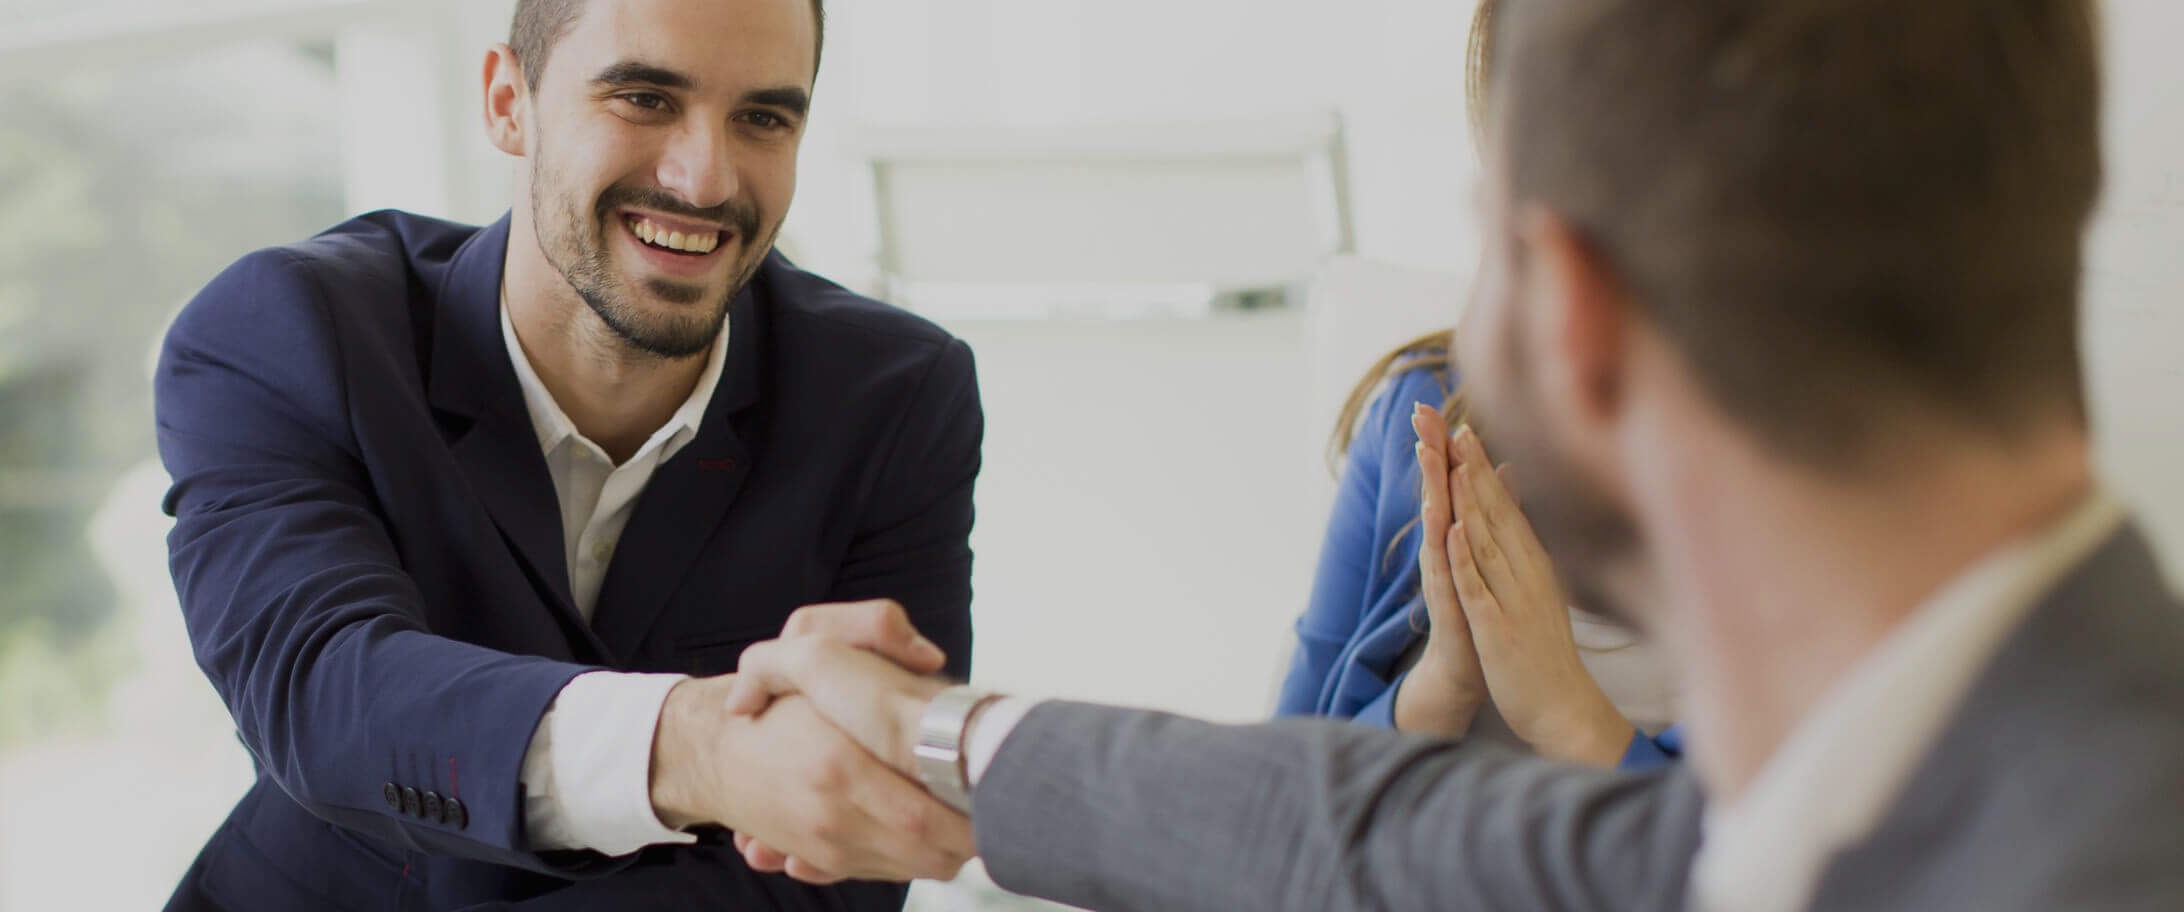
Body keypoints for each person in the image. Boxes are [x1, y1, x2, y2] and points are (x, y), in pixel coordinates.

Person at [729, 0, 2179, 909]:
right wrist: (942, 737)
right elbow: (1351, 826)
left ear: (1575, 315)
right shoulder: (1928, 777)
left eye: (1487, 234)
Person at [150, 0, 984, 905]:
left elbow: (851, 849)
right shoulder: (289, 331)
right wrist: (700, 749)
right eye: (644, 99)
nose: (705, 179)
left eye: (763, 118)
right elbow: (323, 690)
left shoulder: (893, 397)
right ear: (509, 102)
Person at [1284, 0, 1680, 770]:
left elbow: (1820, 835)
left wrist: (1570, 715)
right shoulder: (1414, 412)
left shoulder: (1813, 467)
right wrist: (1439, 687)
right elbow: (1272, 792)